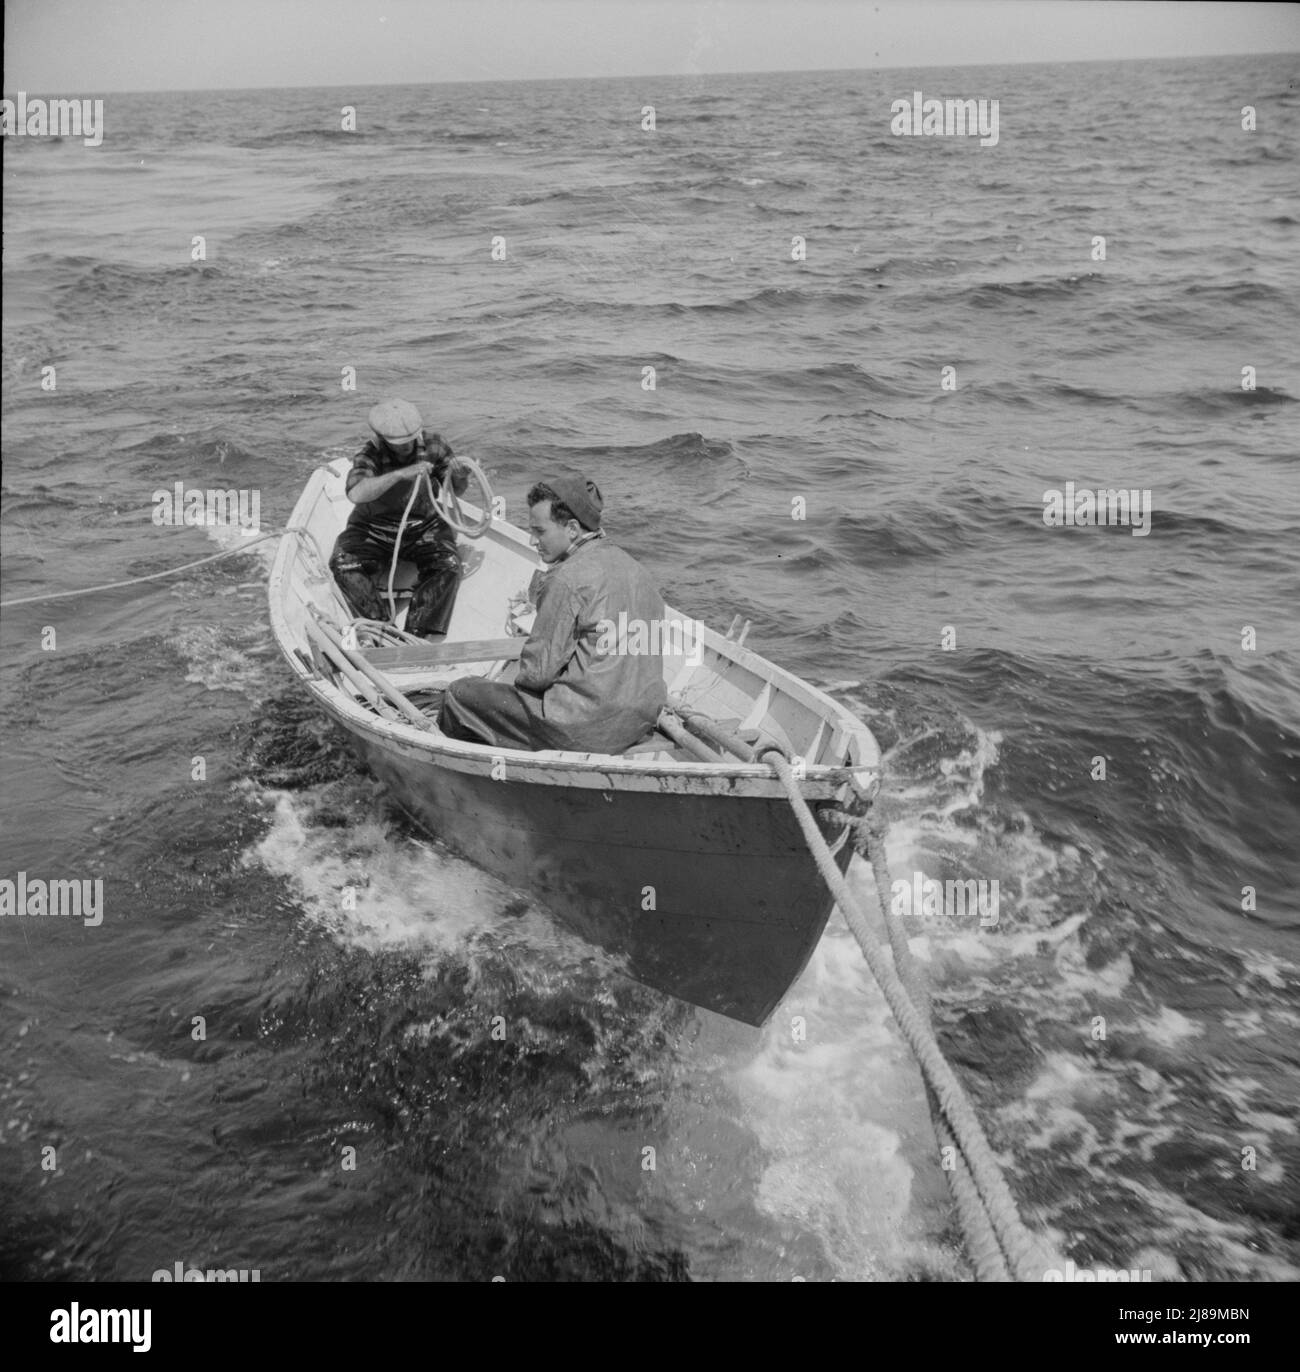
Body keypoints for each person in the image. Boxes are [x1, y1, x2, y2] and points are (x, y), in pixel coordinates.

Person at [438, 474, 667, 753]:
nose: (533, 541)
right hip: (639, 722)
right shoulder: (640, 572)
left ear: (572, 528)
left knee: (460, 693)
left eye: (540, 531)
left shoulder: (567, 578)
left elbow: (536, 674)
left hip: (582, 729)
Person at [329, 399, 469, 638]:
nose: (406, 448)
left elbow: (456, 490)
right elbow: (356, 493)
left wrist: (460, 477)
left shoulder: (434, 445)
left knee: (449, 566)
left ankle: (417, 632)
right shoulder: (369, 454)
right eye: (398, 444)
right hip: (373, 529)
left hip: (424, 527)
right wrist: (400, 475)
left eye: (409, 441)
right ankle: (381, 628)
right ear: (381, 438)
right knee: (343, 564)